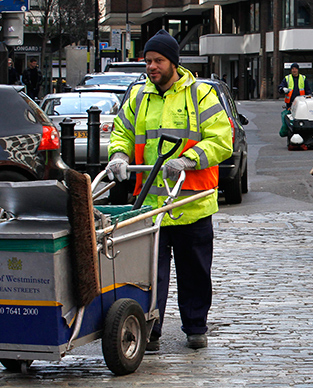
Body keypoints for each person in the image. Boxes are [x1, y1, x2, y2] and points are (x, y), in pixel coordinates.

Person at [106, 29, 233, 352]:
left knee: (195, 273)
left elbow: (221, 140)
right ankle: (150, 327)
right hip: (149, 206)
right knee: (148, 275)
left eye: (158, 60)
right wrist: (118, 155)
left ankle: (195, 327)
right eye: (148, 61)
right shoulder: (138, 97)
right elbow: (121, 131)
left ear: (173, 62)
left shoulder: (200, 95)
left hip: (192, 202)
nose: (151, 66)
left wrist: (188, 160)